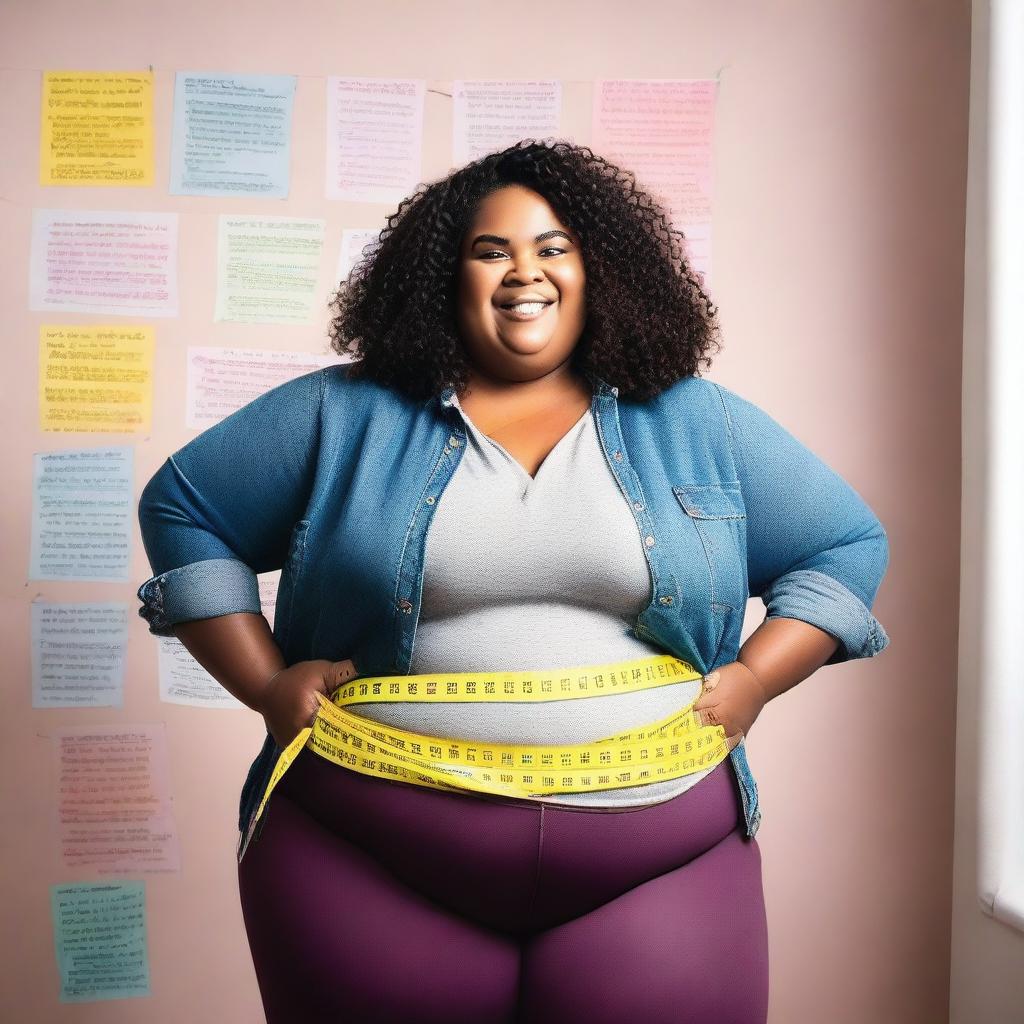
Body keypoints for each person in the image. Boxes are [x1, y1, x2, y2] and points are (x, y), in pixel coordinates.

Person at [136, 139, 890, 1024]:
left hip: (662, 866)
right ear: (440, 277)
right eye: (490, 250)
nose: (522, 273)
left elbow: (844, 543)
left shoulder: (695, 419)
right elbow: (185, 510)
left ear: (600, 270)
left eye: (552, 248)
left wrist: (759, 676)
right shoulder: (343, 412)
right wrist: (264, 682)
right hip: (363, 860)